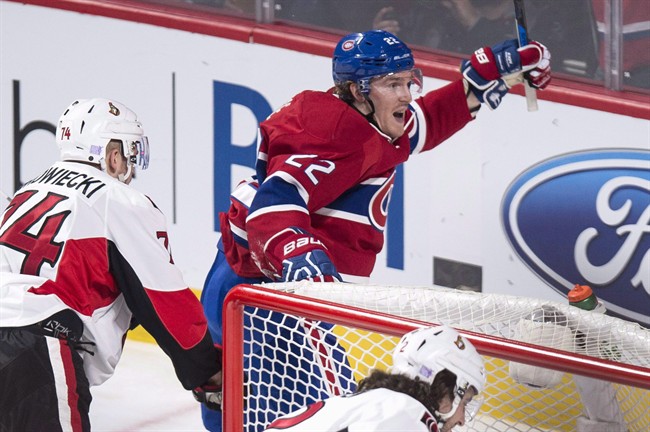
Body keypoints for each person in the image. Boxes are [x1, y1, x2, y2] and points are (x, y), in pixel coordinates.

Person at [201, 29, 551, 431]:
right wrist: (298, 250)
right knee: (337, 414)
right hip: (272, 301)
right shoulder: (338, 132)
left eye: (408, 81)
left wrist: (482, 82)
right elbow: (274, 203)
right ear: (357, 90)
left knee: (231, 403)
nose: (406, 94)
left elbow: (424, 123)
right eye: (392, 84)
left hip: (239, 286)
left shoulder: (367, 121)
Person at [0, 98, 222, 431]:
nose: (129, 166)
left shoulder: (28, 191)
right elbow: (162, 297)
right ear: (111, 154)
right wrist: (206, 370)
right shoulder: (119, 200)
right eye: (128, 153)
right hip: (34, 347)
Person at [264, 325, 486, 432]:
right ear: (445, 385)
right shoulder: (408, 415)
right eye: (464, 402)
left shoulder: (376, 402)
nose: (462, 419)